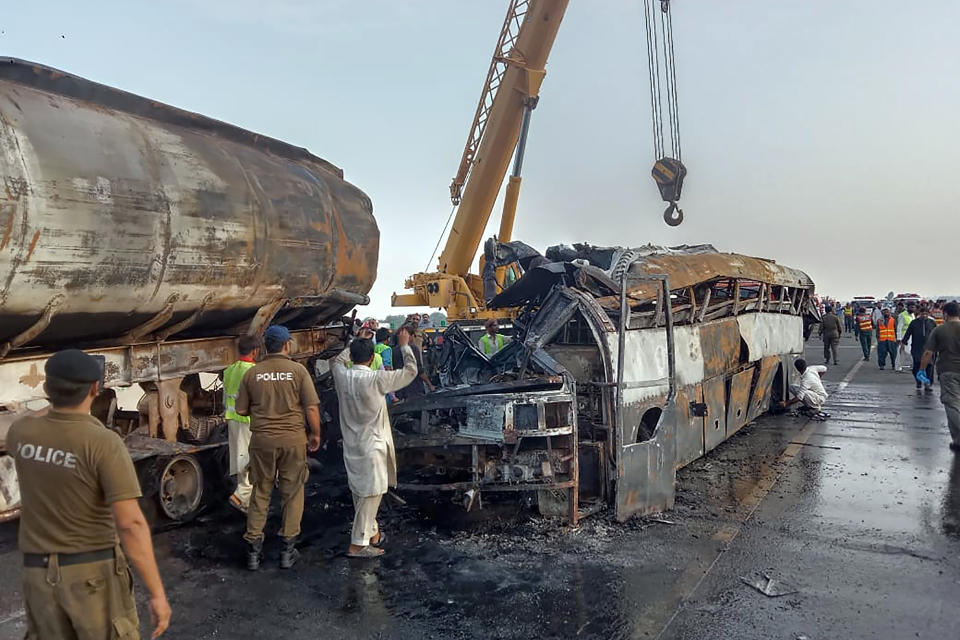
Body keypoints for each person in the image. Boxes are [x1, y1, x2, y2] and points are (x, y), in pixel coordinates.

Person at [7, 349, 171, 639]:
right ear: (96, 388)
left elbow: (43, 416)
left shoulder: (21, 433)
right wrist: (157, 593)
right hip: (90, 579)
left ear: (46, 389)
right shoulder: (102, 443)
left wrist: (58, 398)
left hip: (38, 576)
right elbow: (130, 524)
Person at [236, 325, 322, 570]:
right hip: (293, 440)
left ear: (265, 347)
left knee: (260, 492)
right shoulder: (298, 371)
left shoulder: (252, 373)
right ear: (287, 345)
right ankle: (287, 551)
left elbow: (241, 409)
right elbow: (312, 408)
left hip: (262, 441)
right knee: (292, 492)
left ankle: (253, 552)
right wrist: (315, 434)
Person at [331, 325, 418, 558]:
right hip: (372, 444)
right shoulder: (377, 379)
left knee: (360, 491)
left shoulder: (342, 376)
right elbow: (410, 371)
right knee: (372, 493)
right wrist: (404, 346)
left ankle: (372, 533)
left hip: (352, 444)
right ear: (372, 358)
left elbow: (338, 361)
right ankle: (358, 544)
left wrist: (355, 340)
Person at [223, 334, 260, 513]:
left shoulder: (229, 370)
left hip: (233, 419)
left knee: (240, 458)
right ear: (255, 351)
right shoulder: (254, 371)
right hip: (249, 420)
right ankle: (241, 496)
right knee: (253, 459)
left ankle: (245, 500)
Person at [919, 301, 960, 452]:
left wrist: (922, 369)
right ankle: (957, 440)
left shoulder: (940, 330)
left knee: (951, 405)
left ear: (946, 314)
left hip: (949, 371)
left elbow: (928, 352)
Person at [394, 323, 435, 400]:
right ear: (411, 336)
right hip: (414, 389)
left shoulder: (394, 350)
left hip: (399, 389)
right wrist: (430, 385)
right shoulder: (413, 348)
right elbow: (419, 370)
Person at [902, 306, 936, 393]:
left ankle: (927, 383)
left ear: (928, 314)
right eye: (922, 314)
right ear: (919, 314)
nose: (924, 315)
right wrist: (903, 342)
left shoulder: (932, 323)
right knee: (916, 366)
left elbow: (936, 335)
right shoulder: (914, 323)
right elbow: (908, 333)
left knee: (929, 366)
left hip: (929, 348)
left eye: (926, 314)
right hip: (917, 348)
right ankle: (918, 381)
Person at [895, 302, 916, 372]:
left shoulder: (913, 315)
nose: (913, 309)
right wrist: (899, 338)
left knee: (911, 351)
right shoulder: (902, 315)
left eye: (913, 307)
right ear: (908, 307)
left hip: (911, 336)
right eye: (911, 307)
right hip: (903, 336)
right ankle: (898, 367)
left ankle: (912, 366)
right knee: (901, 352)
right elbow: (899, 327)